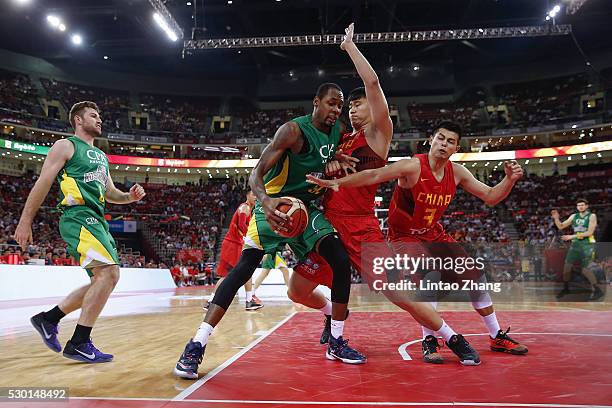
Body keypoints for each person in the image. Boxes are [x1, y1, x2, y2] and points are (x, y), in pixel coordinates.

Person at [290, 24, 480, 365]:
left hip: (361, 226)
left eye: (358, 105)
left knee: (397, 291)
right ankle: (332, 315)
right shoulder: (341, 140)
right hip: (327, 226)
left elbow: (373, 83)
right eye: (349, 106)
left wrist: (349, 47)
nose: (352, 110)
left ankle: (453, 337)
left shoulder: (378, 135)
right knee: (297, 292)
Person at [174, 82, 367, 380]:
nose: (336, 110)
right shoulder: (292, 131)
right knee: (242, 271)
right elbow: (256, 173)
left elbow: (330, 155)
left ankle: (337, 341)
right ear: (316, 102)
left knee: (341, 261)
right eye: (331, 103)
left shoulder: (337, 130)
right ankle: (195, 344)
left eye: (340, 105)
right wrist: (265, 203)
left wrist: (334, 159)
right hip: (274, 205)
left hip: (306, 210)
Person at [307, 120, 529, 361]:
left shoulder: (458, 173)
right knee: (427, 277)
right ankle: (429, 339)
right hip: (404, 235)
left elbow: (490, 196)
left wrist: (509, 180)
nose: (444, 144)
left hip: (433, 233)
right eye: (440, 138)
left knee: (475, 277)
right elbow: (375, 174)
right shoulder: (413, 166)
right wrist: (340, 182)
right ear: (430, 140)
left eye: (450, 141)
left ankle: (496, 335)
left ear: (456, 149)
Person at [15, 101, 146, 363]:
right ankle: (79, 342)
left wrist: (129, 197)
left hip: (97, 218)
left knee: (104, 278)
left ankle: (48, 319)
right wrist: (25, 220)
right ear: (77, 120)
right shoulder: (66, 146)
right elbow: (43, 182)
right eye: (93, 116)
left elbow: (110, 194)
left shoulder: (101, 157)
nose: (99, 120)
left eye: (99, 116)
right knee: (109, 273)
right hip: (78, 216)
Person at [203, 191, 263, 311]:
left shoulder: (247, 208)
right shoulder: (244, 207)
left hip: (229, 244)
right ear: (247, 195)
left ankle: (210, 301)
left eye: (257, 195)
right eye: (253, 195)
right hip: (234, 245)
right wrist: (252, 237)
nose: (256, 197)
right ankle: (249, 300)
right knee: (247, 270)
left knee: (225, 276)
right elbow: (241, 225)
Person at [552, 199, 602, 300]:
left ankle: (597, 290)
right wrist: (556, 218)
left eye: (582, 205)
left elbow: (589, 232)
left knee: (585, 269)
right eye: (579, 205)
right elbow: (561, 226)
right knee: (567, 267)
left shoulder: (592, 216)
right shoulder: (574, 216)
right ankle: (566, 289)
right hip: (576, 245)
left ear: (587, 206)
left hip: (587, 244)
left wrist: (572, 236)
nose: (580, 207)